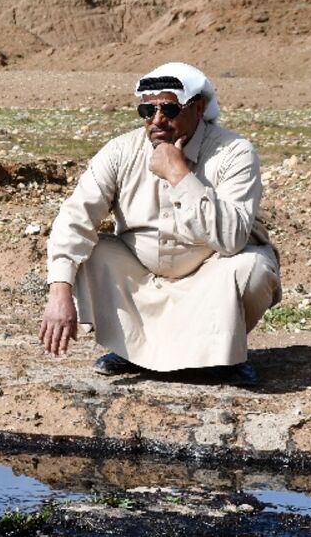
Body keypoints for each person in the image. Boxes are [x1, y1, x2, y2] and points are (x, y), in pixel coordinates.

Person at [38, 62, 280, 387]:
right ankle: (130, 350)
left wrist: (180, 176)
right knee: (91, 252)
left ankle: (221, 357)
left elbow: (233, 238)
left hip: (207, 279)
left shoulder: (234, 152)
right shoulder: (121, 150)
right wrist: (59, 293)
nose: (156, 120)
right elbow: (74, 218)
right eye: (146, 110)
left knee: (254, 268)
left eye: (168, 108)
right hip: (140, 279)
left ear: (198, 108)